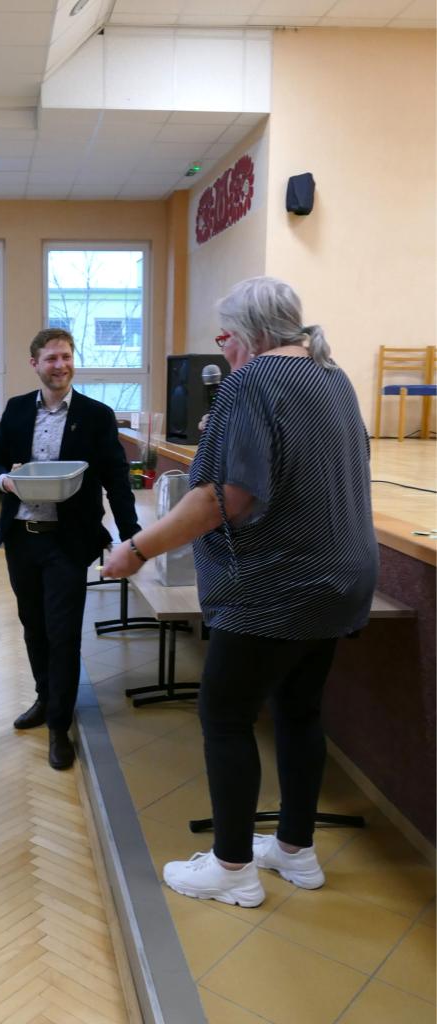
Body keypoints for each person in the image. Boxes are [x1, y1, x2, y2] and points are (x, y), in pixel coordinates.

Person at [103, 277, 378, 908]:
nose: (221, 350)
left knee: (225, 716)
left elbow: (223, 497)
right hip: (339, 581)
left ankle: (231, 869)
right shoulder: (332, 377)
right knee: (299, 712)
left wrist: (137, 549)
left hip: (276, 586)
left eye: (224, 337)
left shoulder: (252, 382)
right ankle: (295, 850)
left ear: (251, 335)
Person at [0, 328, 140, 770]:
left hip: (68, 542)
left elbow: (117, 480)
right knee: (33, 626)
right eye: (51, 358)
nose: (61, 365)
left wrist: (132, 538)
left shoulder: (96, 415)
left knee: (63, 632)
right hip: (22, 537)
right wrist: (5, 480)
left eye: (67, 357)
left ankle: (59, 724)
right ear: (34, 363)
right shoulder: (17, 409)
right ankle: (44, 697)